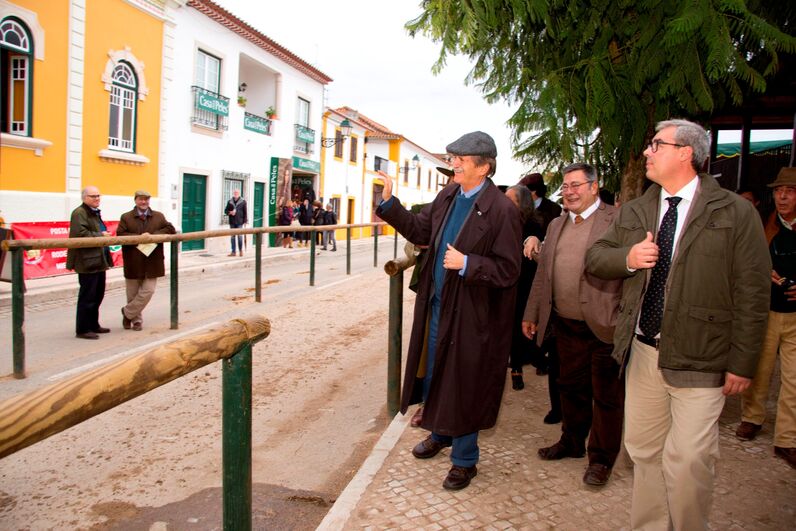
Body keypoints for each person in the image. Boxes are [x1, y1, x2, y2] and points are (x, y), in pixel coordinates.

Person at [585, 119, 771, 529]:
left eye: (656, 144)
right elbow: (596, 257)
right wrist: (628, 259)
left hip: (701, 358)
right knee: (645, 452)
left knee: (688, 459)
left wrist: (742, 362)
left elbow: (754, 293)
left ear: (686, 153)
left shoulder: (735, 212)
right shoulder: (636, 209)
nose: (648, 151)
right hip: (643, 354)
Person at [376, 131, 521, 490]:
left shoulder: (502, 210)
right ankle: (440, 433)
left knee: (466, 382)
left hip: (473, 314)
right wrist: (390, 203)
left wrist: (468, 263)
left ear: (484, 167)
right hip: (439, 305)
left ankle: (465, 460)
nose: (452, 163)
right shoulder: (448, 195)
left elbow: (509, 269)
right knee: (438, 372)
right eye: (453, 157)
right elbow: (421, 231)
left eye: (460, 159)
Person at [522, 163, 625, 487]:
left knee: (606, 397)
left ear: (595, 187)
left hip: (604, 324)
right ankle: (571, 442)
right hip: (565, 324)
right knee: (570, 387)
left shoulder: (617, 221)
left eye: (576, 185)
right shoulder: (555, 224)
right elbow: (544, 274)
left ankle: (601, 460)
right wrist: (532, 314)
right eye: (565, 186)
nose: (569, 192)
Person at [736, 167, 796, 469]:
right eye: (778, 190)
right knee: (760, 370)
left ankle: (787, 438)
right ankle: (752, 417)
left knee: (794, 380)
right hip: (768, 311)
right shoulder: (766, 226)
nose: (782, 196)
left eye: (789, 191)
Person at [117, 190, 176, 332]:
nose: (144, 202)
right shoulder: (126, 217)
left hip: (152, 261)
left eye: (146, 199)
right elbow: (120, 234)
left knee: (148, 291)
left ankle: (127, 313)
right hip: (133, 260)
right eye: (141, 199)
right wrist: (139, 238)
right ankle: (136, 320)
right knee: (132, 293)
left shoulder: (158, 216)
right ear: (135, 200)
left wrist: (153, 236)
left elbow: (170, 229)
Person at [504, 185, 544, 391]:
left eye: (510, 199)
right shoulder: (501, 222)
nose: (505, 201)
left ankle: (518, 368)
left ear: (522, 203)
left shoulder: (534, 226)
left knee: (521, 327)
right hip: (504, 283)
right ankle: (517, 366)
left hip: (525, 285)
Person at [66, 186, 113, 340]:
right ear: (84, 197)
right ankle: (83, 328)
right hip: (87, 261)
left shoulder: (94, 212)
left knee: (98, 294)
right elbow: (80, 234)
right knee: (88, 295)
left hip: (98, 258)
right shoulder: (80, 213)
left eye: (98, 196)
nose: (96, 198)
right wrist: (101, 235)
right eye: (93, 196)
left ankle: (93, 324)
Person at [225, 189, 247, 256]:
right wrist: (230, 212)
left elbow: (245, 212)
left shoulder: (243, 202)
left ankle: (240, 251)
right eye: (235, 192)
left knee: (240, 236)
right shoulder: (230, 201)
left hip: (240, 221)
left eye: (237, 192)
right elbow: (225, 211)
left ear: (239, 193)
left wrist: (245, 221)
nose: (236, 193)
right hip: (232, 221)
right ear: (233, 193)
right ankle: (233, 252)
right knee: (232, 237)